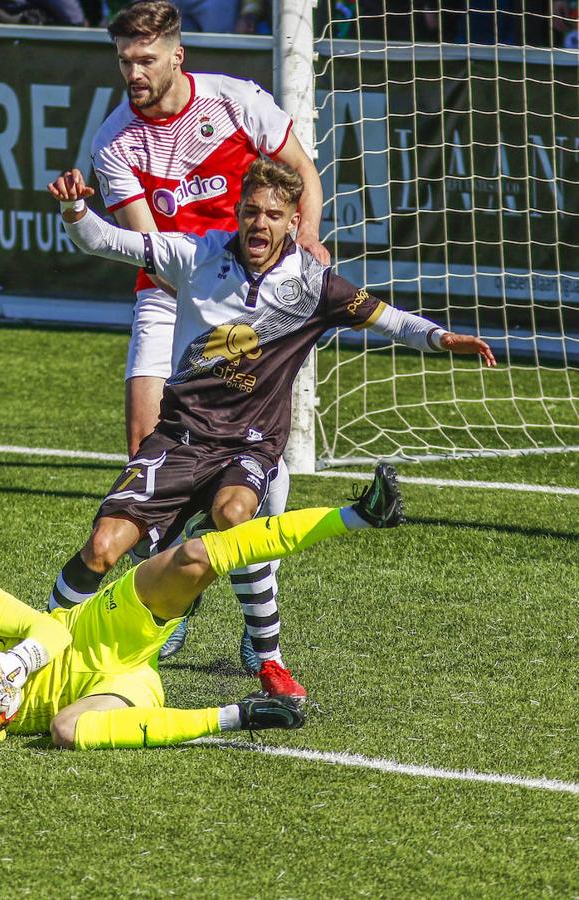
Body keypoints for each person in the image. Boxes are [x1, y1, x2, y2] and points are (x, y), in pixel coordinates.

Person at [45, 158, 496, 700]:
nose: (260, 224)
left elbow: (389, 319)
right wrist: (75, 208)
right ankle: (40, 646)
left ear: (292, 222)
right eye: (252, 211)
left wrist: (441, 339)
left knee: (234, 515)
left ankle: (269, 659)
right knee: (101, 548)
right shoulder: (196, 253)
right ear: (237, 212)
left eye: (274, 215)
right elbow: (105, 241)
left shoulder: (314, 286)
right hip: (181, 436)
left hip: (249, 444)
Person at [74, 0, 331, 671]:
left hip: (259, 297)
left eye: (145, 59)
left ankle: (259, 624)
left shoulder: (236, 101)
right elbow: (150, 249)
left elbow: (303, 173)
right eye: (125, 59)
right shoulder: (114, 143)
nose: (133, 71)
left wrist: (303, 240)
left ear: (176, 55)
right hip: (174, 294)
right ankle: (170, 604)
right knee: (147, 451)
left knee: (251, 484)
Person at [0, 464, 407, 749]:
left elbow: (47, 630)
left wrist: (6, 668)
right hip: (107, 695)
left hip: (95, 634)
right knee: (67, 732)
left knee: (192, 559)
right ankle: (239, 715)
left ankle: (358, 514)